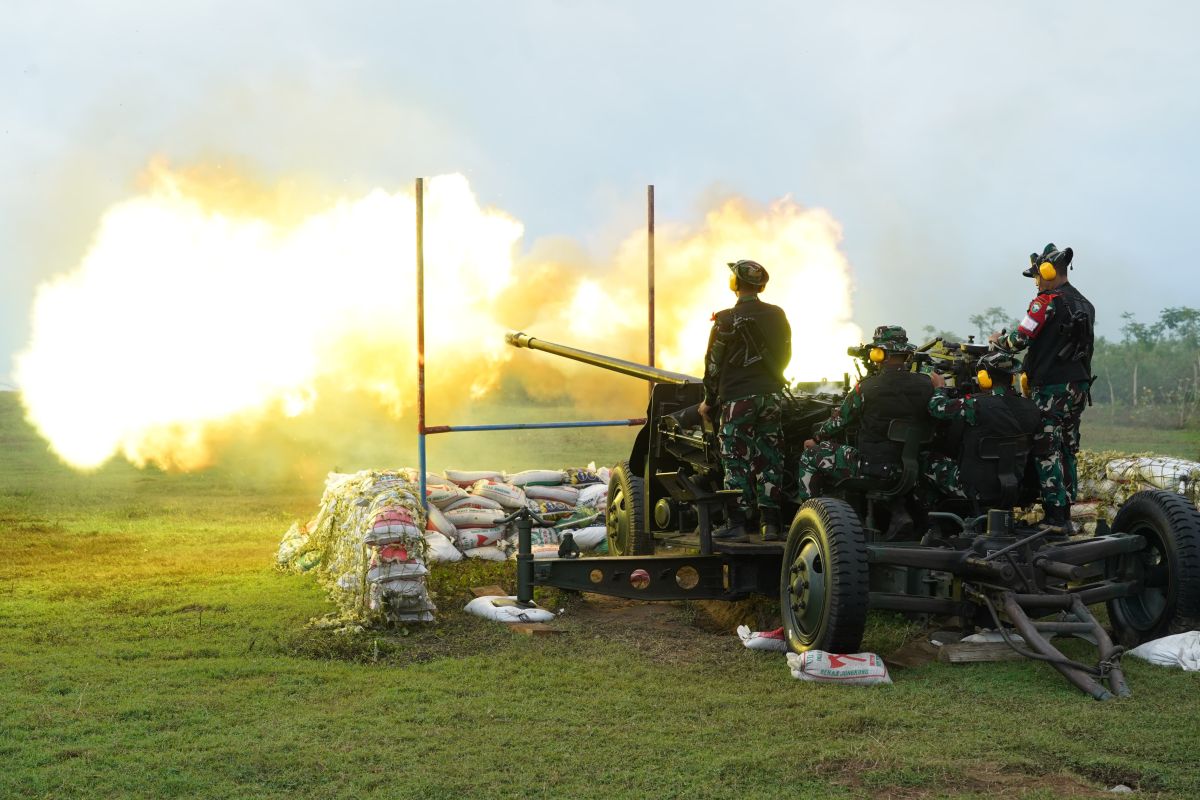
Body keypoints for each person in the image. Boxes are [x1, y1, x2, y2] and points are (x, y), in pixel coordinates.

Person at [991, 243, 1095, 526]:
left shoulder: (1046, 301)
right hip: (1079, 387)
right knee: (1067, 447)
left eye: (1036, 275)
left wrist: (997, 342)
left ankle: (1055, 516)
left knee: (1045, 447)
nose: (1035, 281)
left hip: (1051, 387)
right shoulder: (1085, 303)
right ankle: (1067, 510)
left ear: (1048, 272)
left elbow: (1020, 338)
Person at [795, 326, 934, 534]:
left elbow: (838, 422)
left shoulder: (866, 388)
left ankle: (810, 524)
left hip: (872, 467)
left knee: (811, 455)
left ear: (879, 354)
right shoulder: (927, 384)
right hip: (912, 468)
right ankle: (898, 513)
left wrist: (816, 438)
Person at [697, 259, 792, 542]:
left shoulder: (726, 319)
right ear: (761, 286)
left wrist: (708, 400)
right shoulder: (777, 314)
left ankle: (737, 523)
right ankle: (771, 524)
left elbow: (713, 365)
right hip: (771, 396)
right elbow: (786, 354)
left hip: (738, 398)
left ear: (735, 285)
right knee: (769, 458)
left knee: (735, 458)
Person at [922, 350, 1041, 508]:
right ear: (1012, 377)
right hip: (1014, 486)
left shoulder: (976, 405)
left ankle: (932, 521)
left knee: (925, 458)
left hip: (974, 488)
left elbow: (936, 407)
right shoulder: (1031, 407)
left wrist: (940, 388)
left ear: (984, 378)